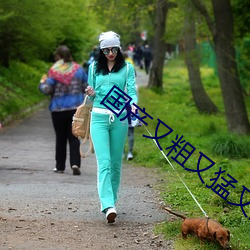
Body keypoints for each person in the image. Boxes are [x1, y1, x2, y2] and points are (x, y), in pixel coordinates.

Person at [85, 31, 138, 223]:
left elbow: (131, 91)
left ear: (119, 48)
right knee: (104, 162)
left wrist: (133, 107)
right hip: (98, 118)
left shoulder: (127, 68)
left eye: (114, 49)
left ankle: (112, 201)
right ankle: (107, 205)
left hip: (120, 119)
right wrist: (90, 92)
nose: (110, 53)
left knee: (116, 163)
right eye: (106, 50)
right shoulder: (93, 68)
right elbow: (91, 97)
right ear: (101, 50)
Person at [39, 45, 88, 175]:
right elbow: (86, 87)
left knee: (60, 138)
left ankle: (60, 166)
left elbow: (47, 90)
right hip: (75, 109)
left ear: (58, 57)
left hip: (58, 109)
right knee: (74, 137)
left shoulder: (54, 71)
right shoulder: (79, 70)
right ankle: (75, 163)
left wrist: (42, 83)